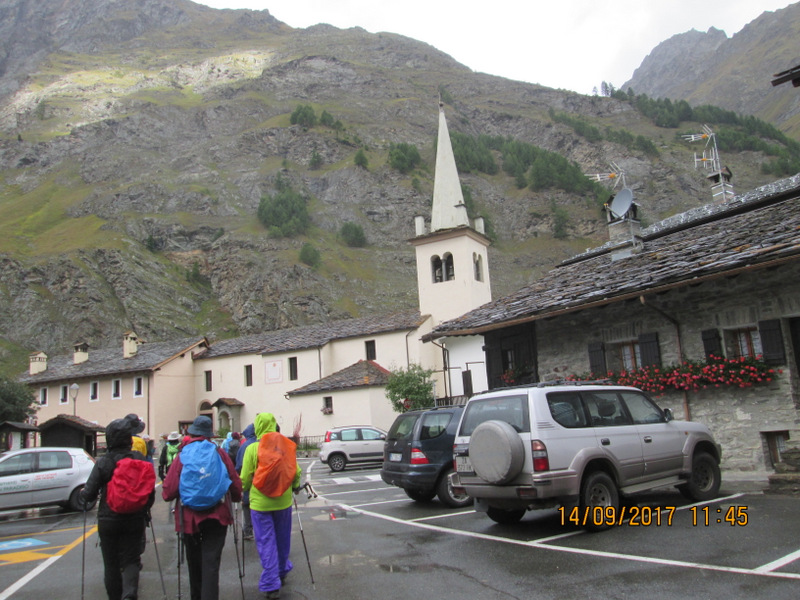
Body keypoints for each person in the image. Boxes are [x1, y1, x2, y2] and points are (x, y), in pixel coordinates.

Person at [162, 416, 242, 600]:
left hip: (189, 519)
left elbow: (168, 491)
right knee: (211, 563)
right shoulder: (219, 453)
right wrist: (237, 497)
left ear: (192, 433)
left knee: (194, 563)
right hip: (218, 515)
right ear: (209, 435)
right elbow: (234, 481)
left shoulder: (183, 455)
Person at [80, 418, 155, 600]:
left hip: (108, 520)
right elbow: (149, 492)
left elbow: (89, 494)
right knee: (131, 560)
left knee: (111, 564)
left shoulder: (104, 462)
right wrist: (144, 509)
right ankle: (129, 594)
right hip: (134, 519)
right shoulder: (139, 460)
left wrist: (83, 495)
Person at [240, 413, 302, 600]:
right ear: (274, 424)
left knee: (266, 541)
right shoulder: (285, 445)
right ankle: (282, 571)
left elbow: (245, 478)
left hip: (260, 504)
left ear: (258, 426)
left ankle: (270, 583)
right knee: (283, 538)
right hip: (283, 501)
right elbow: (295, 470)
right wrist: (295, 486)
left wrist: (241, 490)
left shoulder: (252, 448)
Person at [235, 423, 257, 540]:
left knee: (247, 505)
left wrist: (240, 485)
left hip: (248, 480)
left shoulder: (244, 446)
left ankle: (248, 530)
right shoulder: (260, 443)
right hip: (261, 483)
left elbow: (239, 465)